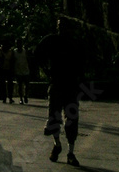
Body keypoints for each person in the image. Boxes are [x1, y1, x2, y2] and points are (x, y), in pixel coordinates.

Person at [36, 18, 84, 166]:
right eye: (59, 26)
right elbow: (37, 53)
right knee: (54, 116)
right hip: (57, 83)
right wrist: (46, 70)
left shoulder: (74, 43)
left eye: (63, 26)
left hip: (70, 85)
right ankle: (57, 144)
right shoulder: (51, 40)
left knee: (71, 118)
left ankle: (71, 152)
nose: (61, 28)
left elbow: (82, 62)